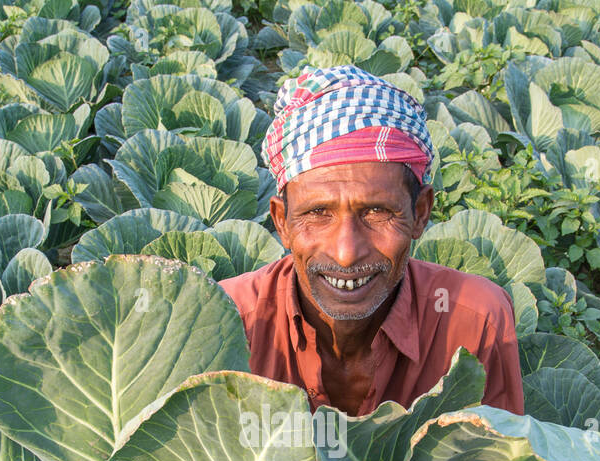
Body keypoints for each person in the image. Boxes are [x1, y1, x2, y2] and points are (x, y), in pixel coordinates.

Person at [219, 65, 525, 417]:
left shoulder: (475, 322)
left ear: (420, 213)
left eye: (377, 212)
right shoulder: (228, 324)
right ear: (282, 221)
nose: (347, 253)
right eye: (318, 213)